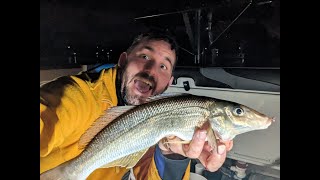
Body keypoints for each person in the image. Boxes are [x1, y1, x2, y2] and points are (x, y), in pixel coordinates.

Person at [40, 30, 233, 180]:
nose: (150, 71)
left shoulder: (158, 121)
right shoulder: (77, 96)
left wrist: (171, 157)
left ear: (168, 82)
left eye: (163, 66)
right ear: (123, 61)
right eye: (145, 57)